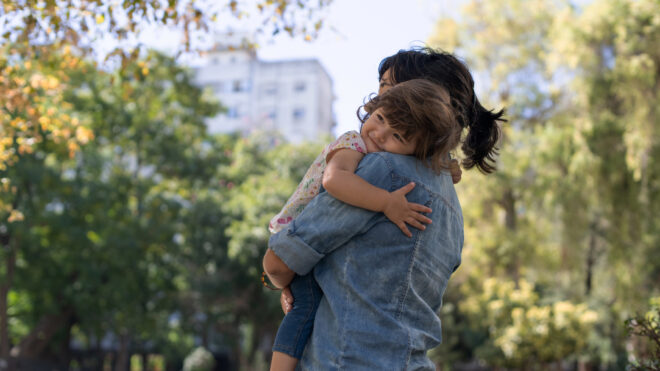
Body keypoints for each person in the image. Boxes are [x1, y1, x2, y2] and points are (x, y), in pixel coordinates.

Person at [265, 47, 505, 370]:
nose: (379, 98)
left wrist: (279, 280)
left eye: (390, 88)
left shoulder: (382, 171)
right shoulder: (452, 205)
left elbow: (278, 262)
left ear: (422, 99)